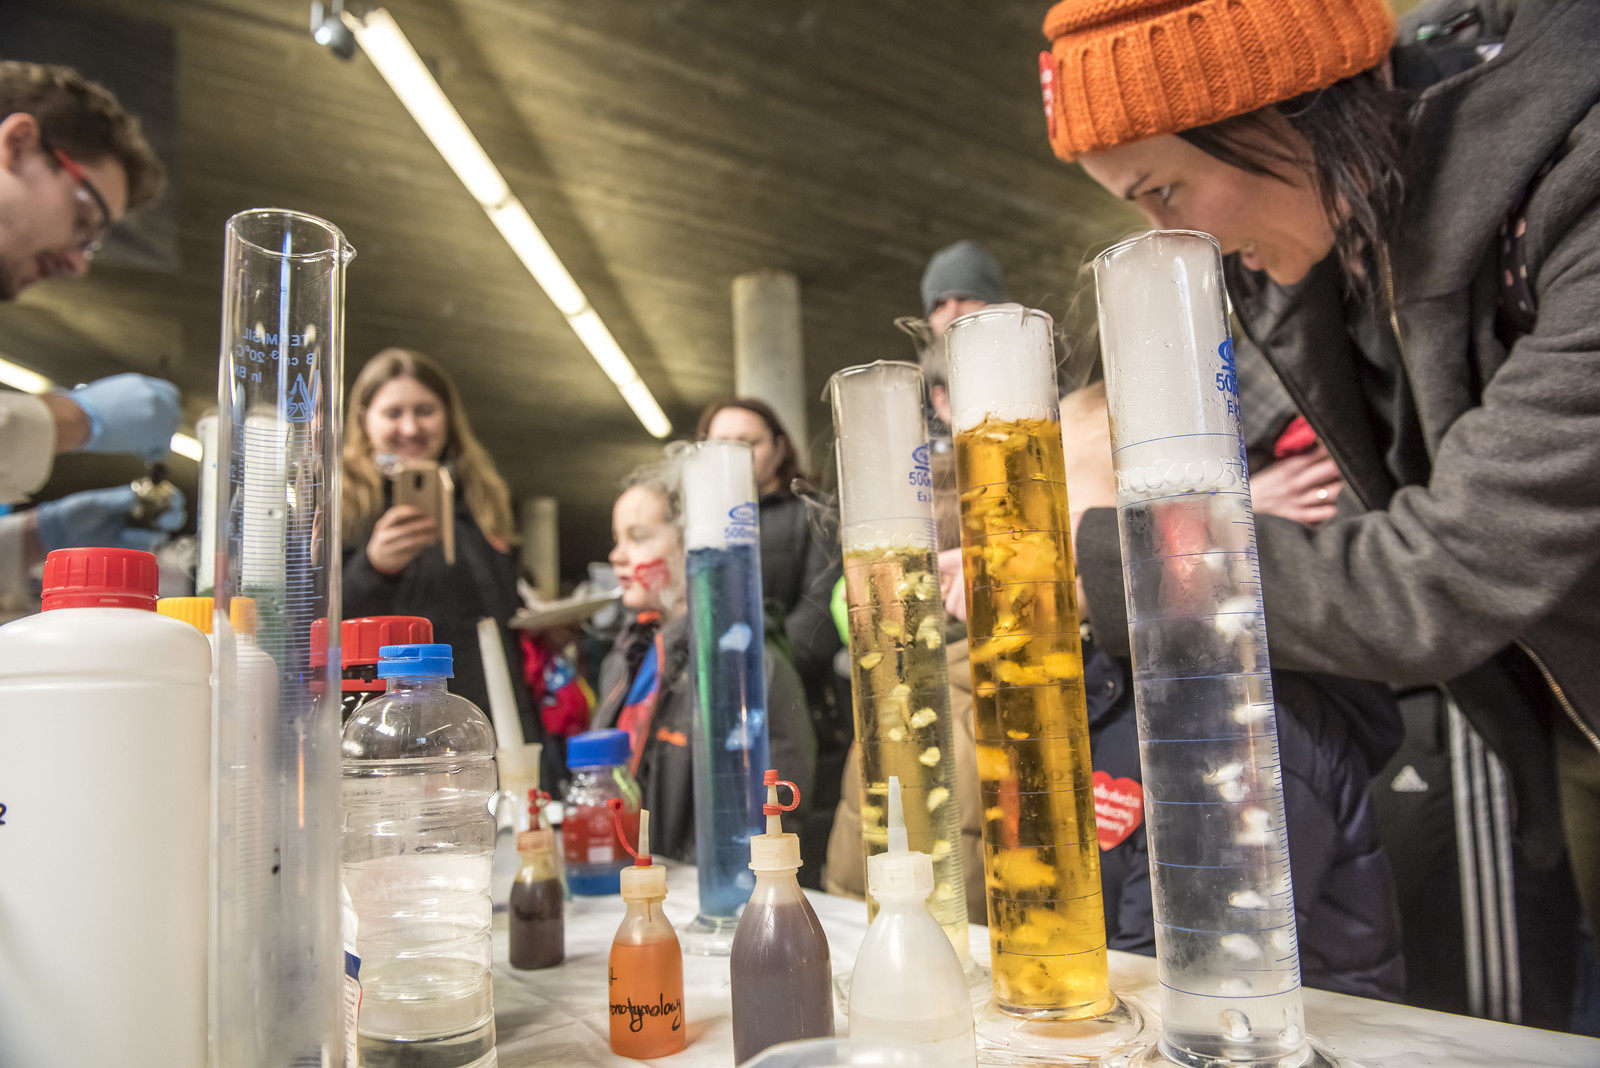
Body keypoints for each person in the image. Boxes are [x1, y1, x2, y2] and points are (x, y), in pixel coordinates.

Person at [1040, 0, 1598, 1025]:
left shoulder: (1574, 194)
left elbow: (1445, 571)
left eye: (1163, 190)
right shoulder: (1337, 264)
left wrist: (1110, 565)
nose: (1173, 242)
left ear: (1286, 104)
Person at [340, 349, 555, 784]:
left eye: (424, 411)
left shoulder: (480, 497)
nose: (410, 427)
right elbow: (319, 624)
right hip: (396, 737)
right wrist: (374, 567)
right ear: (364, 419)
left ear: (447, 416)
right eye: (393, 413)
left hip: (499, 718)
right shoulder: (341, 502)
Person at [593, 460, 816, 862]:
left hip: (694, 888)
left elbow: (771, 812)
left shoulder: (744, 661)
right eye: (616, 538)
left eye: (637, 537)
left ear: (692, 542)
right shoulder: (625, 658)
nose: (616, 555)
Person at [698, 398, 840, 879]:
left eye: (749, 443)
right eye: (721, 444)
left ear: (779, 449)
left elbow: (820, 615)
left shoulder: (812, 513)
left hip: (797, 711)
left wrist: (751, 674)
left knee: (792, 862)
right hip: (712, 717)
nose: (734, 456)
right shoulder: (697, 525)